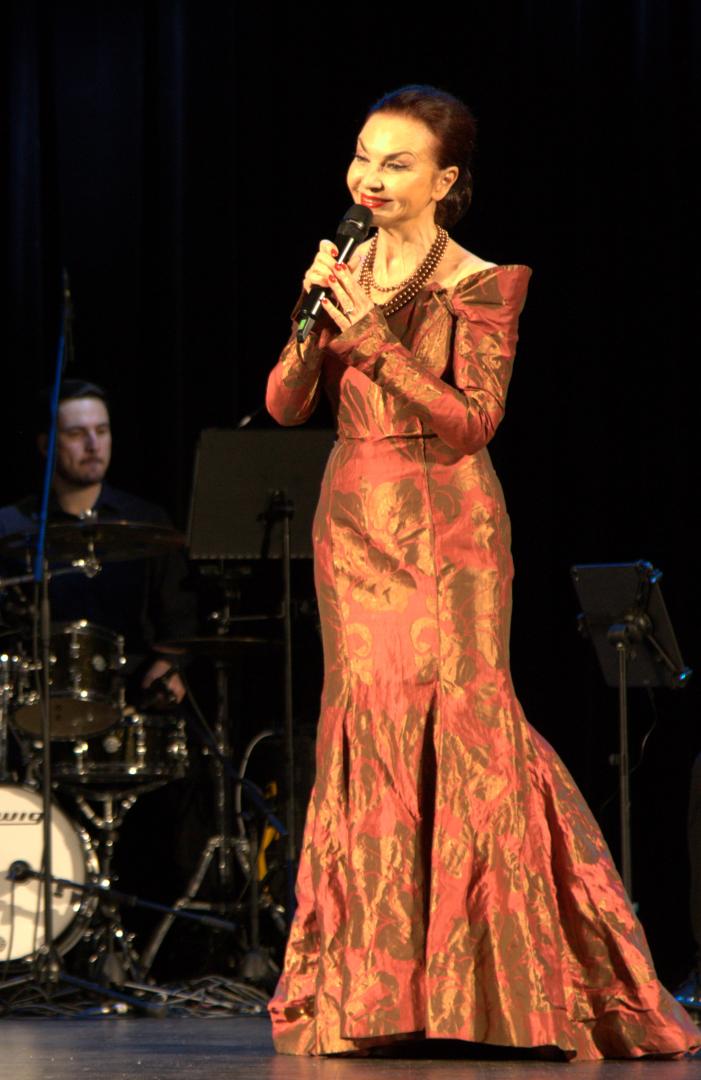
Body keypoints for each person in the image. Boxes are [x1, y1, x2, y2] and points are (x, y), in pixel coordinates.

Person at [264, 85, 699, 1059]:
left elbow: (471, 420)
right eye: (363, 156)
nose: (370, 178)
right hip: (353, 522)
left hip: (444, 531)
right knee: (370, 732)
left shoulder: (482, 283)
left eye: (396, 163)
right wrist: (309, 317)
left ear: (444, 180)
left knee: (462, 731)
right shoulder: (344, 269)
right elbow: (287, 404)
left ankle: (502, 991)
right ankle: (376, 997)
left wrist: (371, 338)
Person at [0, 379, 193, 705]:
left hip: (131, 697)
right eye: (77, 434)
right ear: (46, 445)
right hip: (37, 701)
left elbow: (180, 615)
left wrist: (169, 663)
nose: (93, 444)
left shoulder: (146, 520)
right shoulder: (10, 525)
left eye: (101, 431)